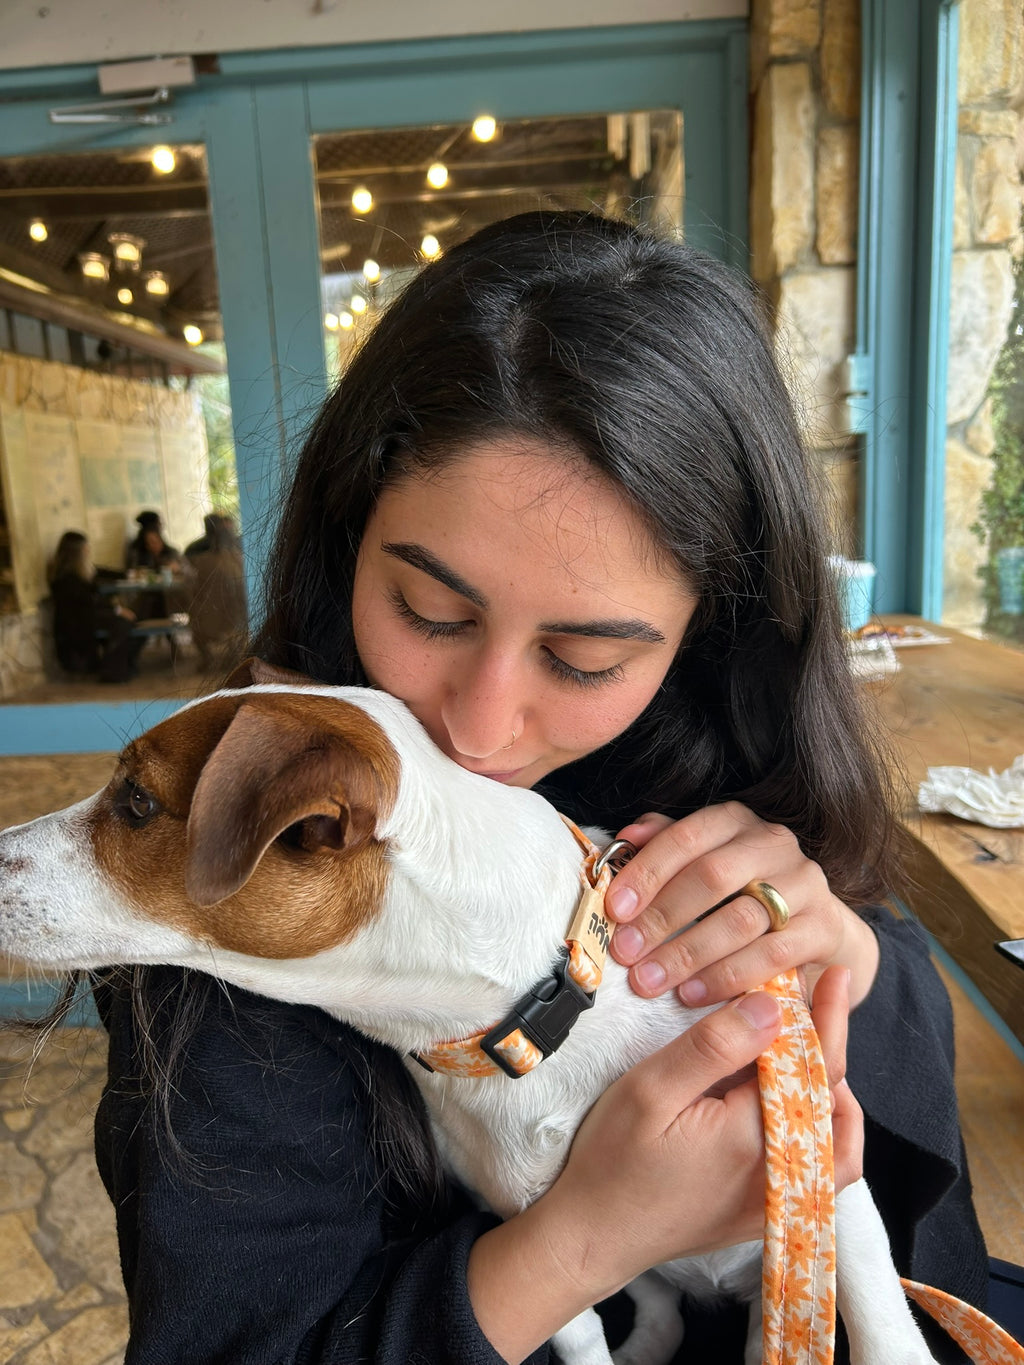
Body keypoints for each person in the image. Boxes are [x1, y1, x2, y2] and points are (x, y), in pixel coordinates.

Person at [92, 211, 987, 1364]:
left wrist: (844, 971)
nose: (476, 724)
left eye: (584, 661)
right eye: (429, 611)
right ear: (348, 533)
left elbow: (909, 1183)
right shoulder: (235, 850)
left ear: (704, 637)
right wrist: (576, 1242)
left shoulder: (728, 770)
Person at [48, 530, 144, 683]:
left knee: (130, 619)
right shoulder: (66, 578)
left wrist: (129, 575)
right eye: (85, 548)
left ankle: (122, 666)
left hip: (88, 616)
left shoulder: (80, 570)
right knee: (123, 622)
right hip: (79, 622)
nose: (88, 551)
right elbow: (87, 604)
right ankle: (113, 671)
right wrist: (117, 610)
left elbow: (100, 573)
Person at [186, 514, 248, 671]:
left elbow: (195, 591)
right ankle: (233, 656)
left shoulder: (201, 560)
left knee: (194, 615)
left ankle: (207, 659)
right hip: (240, 619)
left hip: (209, 622)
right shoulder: (242, 559)